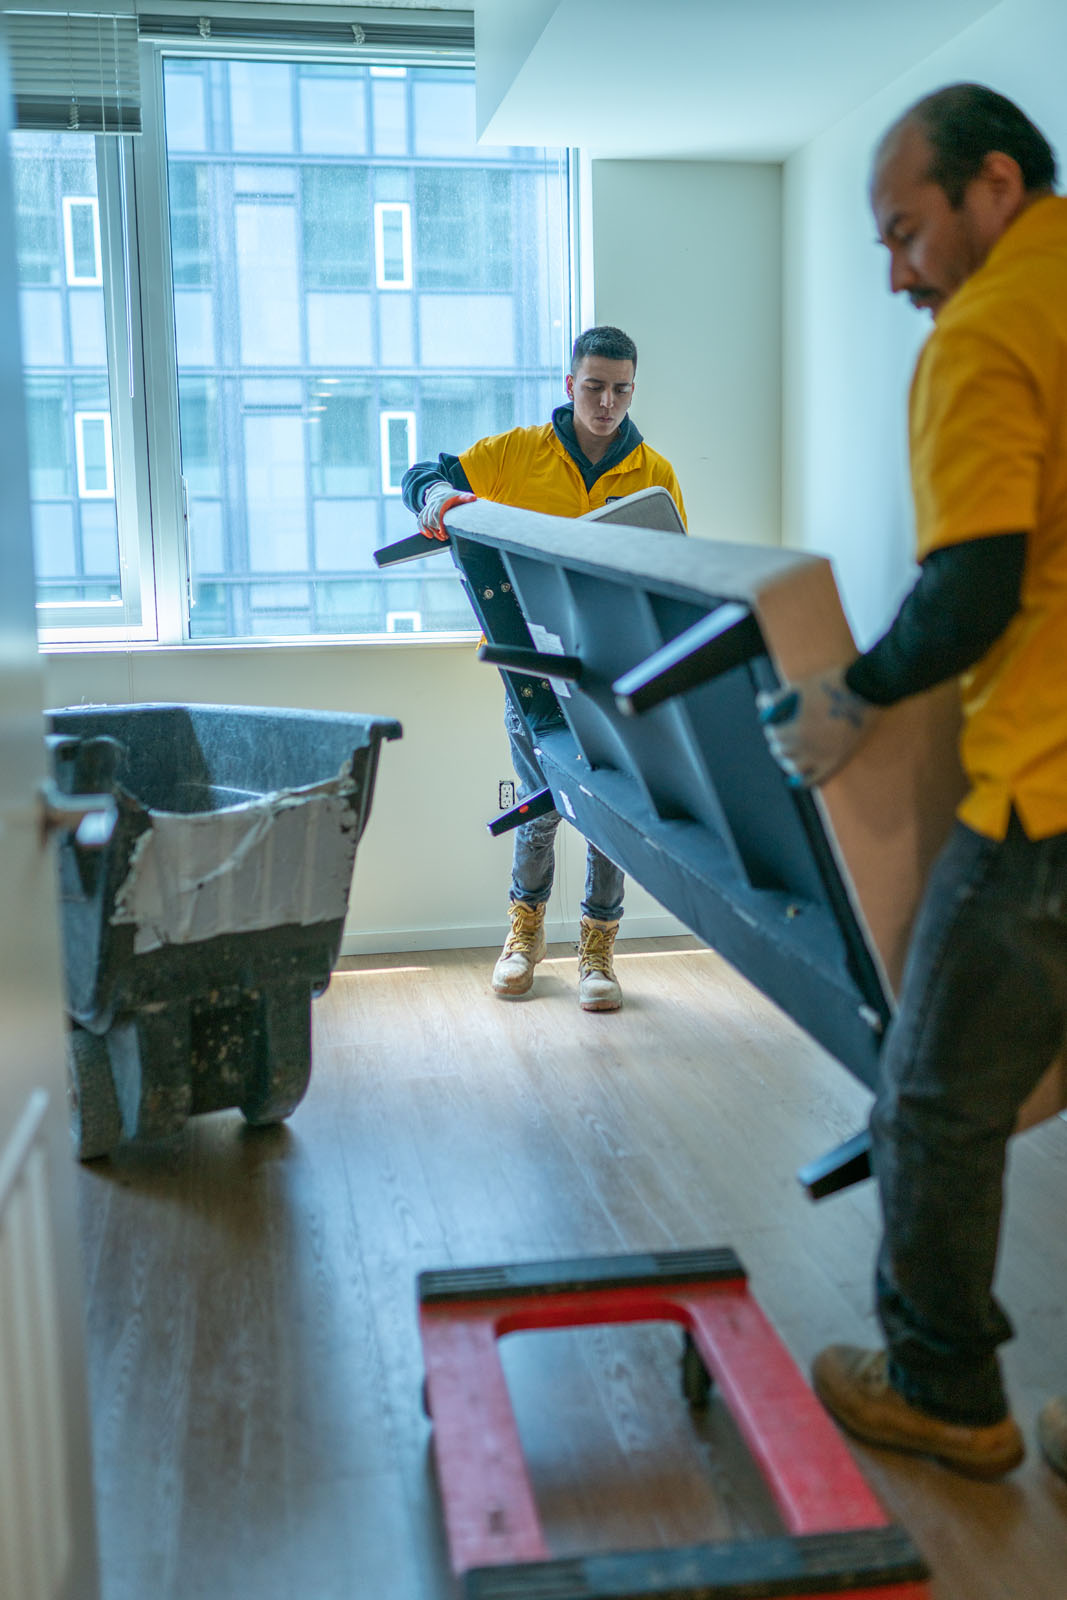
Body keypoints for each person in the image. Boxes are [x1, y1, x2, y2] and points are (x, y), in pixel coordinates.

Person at [760, 83, 1067, 1482]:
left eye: (903, 233)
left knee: (931, 1099)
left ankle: (944, 1390)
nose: (894, 273)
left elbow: (967, 593)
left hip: (1041, 808)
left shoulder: (985, 331)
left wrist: (850, 697)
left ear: (989, 189)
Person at [402, 325, 687, 1011]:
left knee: (607, 815)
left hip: (611, 671)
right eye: (593, 387)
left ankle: (598, 952)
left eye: (620, 390)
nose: (607, 403)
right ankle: (523, 939)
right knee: (539, 810)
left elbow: (672, 569)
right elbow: (421, 475)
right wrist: (438, 501)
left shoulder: (653, 473)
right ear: (569, 385)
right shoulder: (516, 454)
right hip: (529, 667)